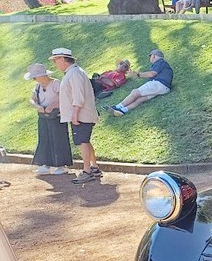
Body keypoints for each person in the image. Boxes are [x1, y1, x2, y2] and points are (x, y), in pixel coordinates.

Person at [49, 48, 101, 183]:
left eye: (55, 60)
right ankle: (94, 168)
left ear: (62, 59)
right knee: (85, 141)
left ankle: (87, 171)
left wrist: (74, 115)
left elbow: (78, 97)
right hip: (82, 114)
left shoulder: (74, 74)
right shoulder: (74, 72)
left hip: (81, 115)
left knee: (82, 142)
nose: (55, 63)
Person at [26, 62, 72, 175]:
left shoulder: (56, 83)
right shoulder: (37, 86)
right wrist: (38, 107)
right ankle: (45, 164)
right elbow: (31, 100)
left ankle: (62, 165)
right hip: (43, 116)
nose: (34, 79)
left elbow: (66, 98)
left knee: (59, 139)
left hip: (57, 116)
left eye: (35, 77)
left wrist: (53, 106)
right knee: (44, 139)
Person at [108, 49, 173, 117]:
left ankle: (117, 107)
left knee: (135, 92)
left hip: (158, 84)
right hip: (165, 88)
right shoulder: (163, 64)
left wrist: (138, 74)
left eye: (150, 56)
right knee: (139, 99)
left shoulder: (159, 62)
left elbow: (151, 74)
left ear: (154, 56)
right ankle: (123, 110)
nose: (149, 58)